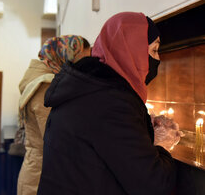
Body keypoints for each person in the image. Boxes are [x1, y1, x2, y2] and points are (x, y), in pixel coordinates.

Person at [37, 12, 177, 195]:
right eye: (154, 51)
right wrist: (162, 145)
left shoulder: (87, 89)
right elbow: (155, 185)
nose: (158, 59)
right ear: (131, 50)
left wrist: (142, 129)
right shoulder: (113, 103)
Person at [16, 35, 91, 195]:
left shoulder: (47, 81)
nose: (83, 66)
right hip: (40, 178)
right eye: (81, 59)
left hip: (40, 171)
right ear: (66, 56)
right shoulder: (45, 86)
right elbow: (55, 138)